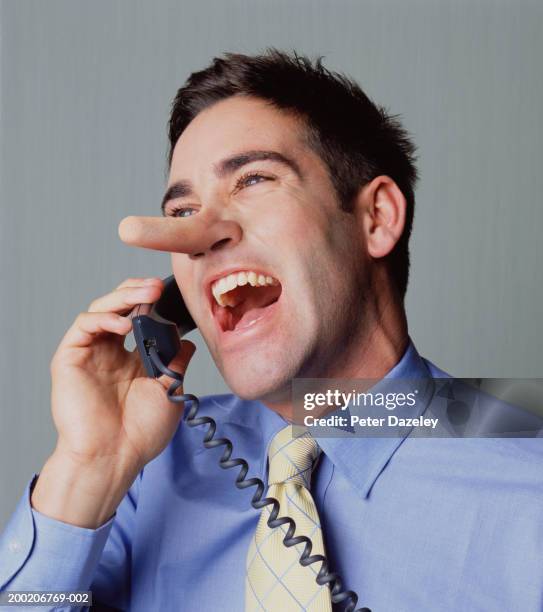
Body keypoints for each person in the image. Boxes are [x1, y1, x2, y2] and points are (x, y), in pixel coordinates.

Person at [1, 49, 542, 612]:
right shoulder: (148, 466)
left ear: (376, 217)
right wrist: (88, 469)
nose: (203, 234)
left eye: (253, 180)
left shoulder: (527, 465)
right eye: (183, 212)